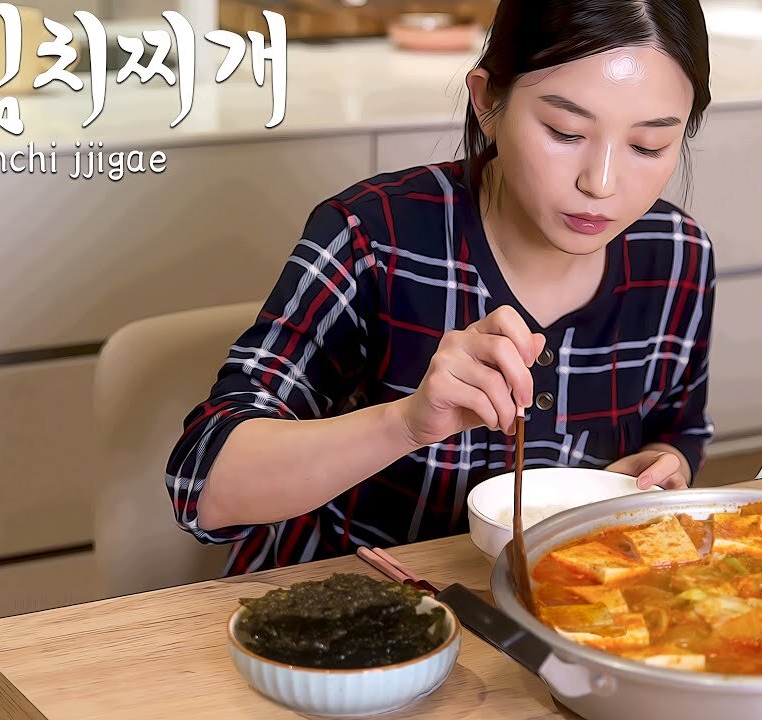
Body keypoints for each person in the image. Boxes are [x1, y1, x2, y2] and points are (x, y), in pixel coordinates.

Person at [165, 0, 717, 575]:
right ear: (487, 102)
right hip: (348, 616)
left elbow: (679, 430)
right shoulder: (373, 235)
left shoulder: (678, 256)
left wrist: (662, 464)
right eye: (565, 131)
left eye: (647, 146)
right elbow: (202, 485)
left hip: (564, 606)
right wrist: (405, 422)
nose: (600, 184)